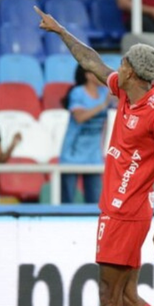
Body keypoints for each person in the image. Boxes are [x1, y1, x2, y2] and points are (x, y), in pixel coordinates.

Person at [35, 6, 154, 306]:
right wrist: (61, 31)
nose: (116, 66)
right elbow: (91, 61)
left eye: (122, 62)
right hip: (116, 207)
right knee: (128, 297)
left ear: (133, 71)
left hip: (128, 211)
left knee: (109, 293)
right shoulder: (123, 90)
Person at [60, 67, 112, 204]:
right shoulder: (78, 93)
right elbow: (79, 117)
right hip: (72, 156)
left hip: (93, 157)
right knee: (67, 203)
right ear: (88, 75)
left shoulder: (104, 93)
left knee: (94, 202)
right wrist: (102, 105)